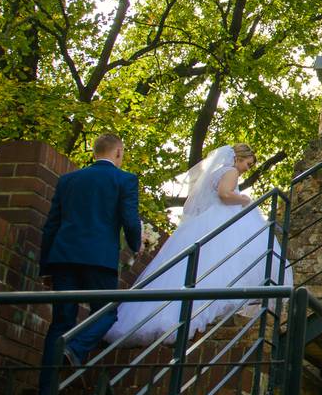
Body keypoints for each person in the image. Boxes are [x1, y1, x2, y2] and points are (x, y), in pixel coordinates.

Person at [105, 143, 289, 347]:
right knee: (218, 265)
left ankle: (154, 317)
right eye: (248, 163)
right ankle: (185, 316)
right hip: (220, 219)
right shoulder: (231, 171)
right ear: (238, 158)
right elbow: (225, 194)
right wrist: (244, 199)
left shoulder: (216, 172)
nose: (247, 168)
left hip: (204, 221)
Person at [37, 132, 143, 395]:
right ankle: (74, 348)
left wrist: (45, 267)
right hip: (99, 260)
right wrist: (136, 245)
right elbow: (130, 221)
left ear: (96, 152)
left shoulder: (68, 180)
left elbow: (51, 225)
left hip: (63, 259)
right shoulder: (125, 180)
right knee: (107, 312)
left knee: (60, 323)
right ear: (118, 152)